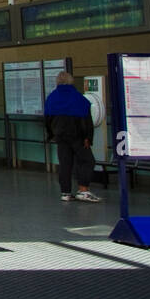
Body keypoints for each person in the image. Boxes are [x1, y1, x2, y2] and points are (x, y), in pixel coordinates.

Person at [44, 71, 101, 203]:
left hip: (60, 137)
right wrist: (88, 138)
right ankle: (83, 190)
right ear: (71, 81)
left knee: (65, 164)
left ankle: (66, 193)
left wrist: (51, 134)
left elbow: (47, 119)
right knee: (88, 161)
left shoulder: (52, 97)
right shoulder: (77, 97)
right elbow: (87, 120)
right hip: (78, 137)